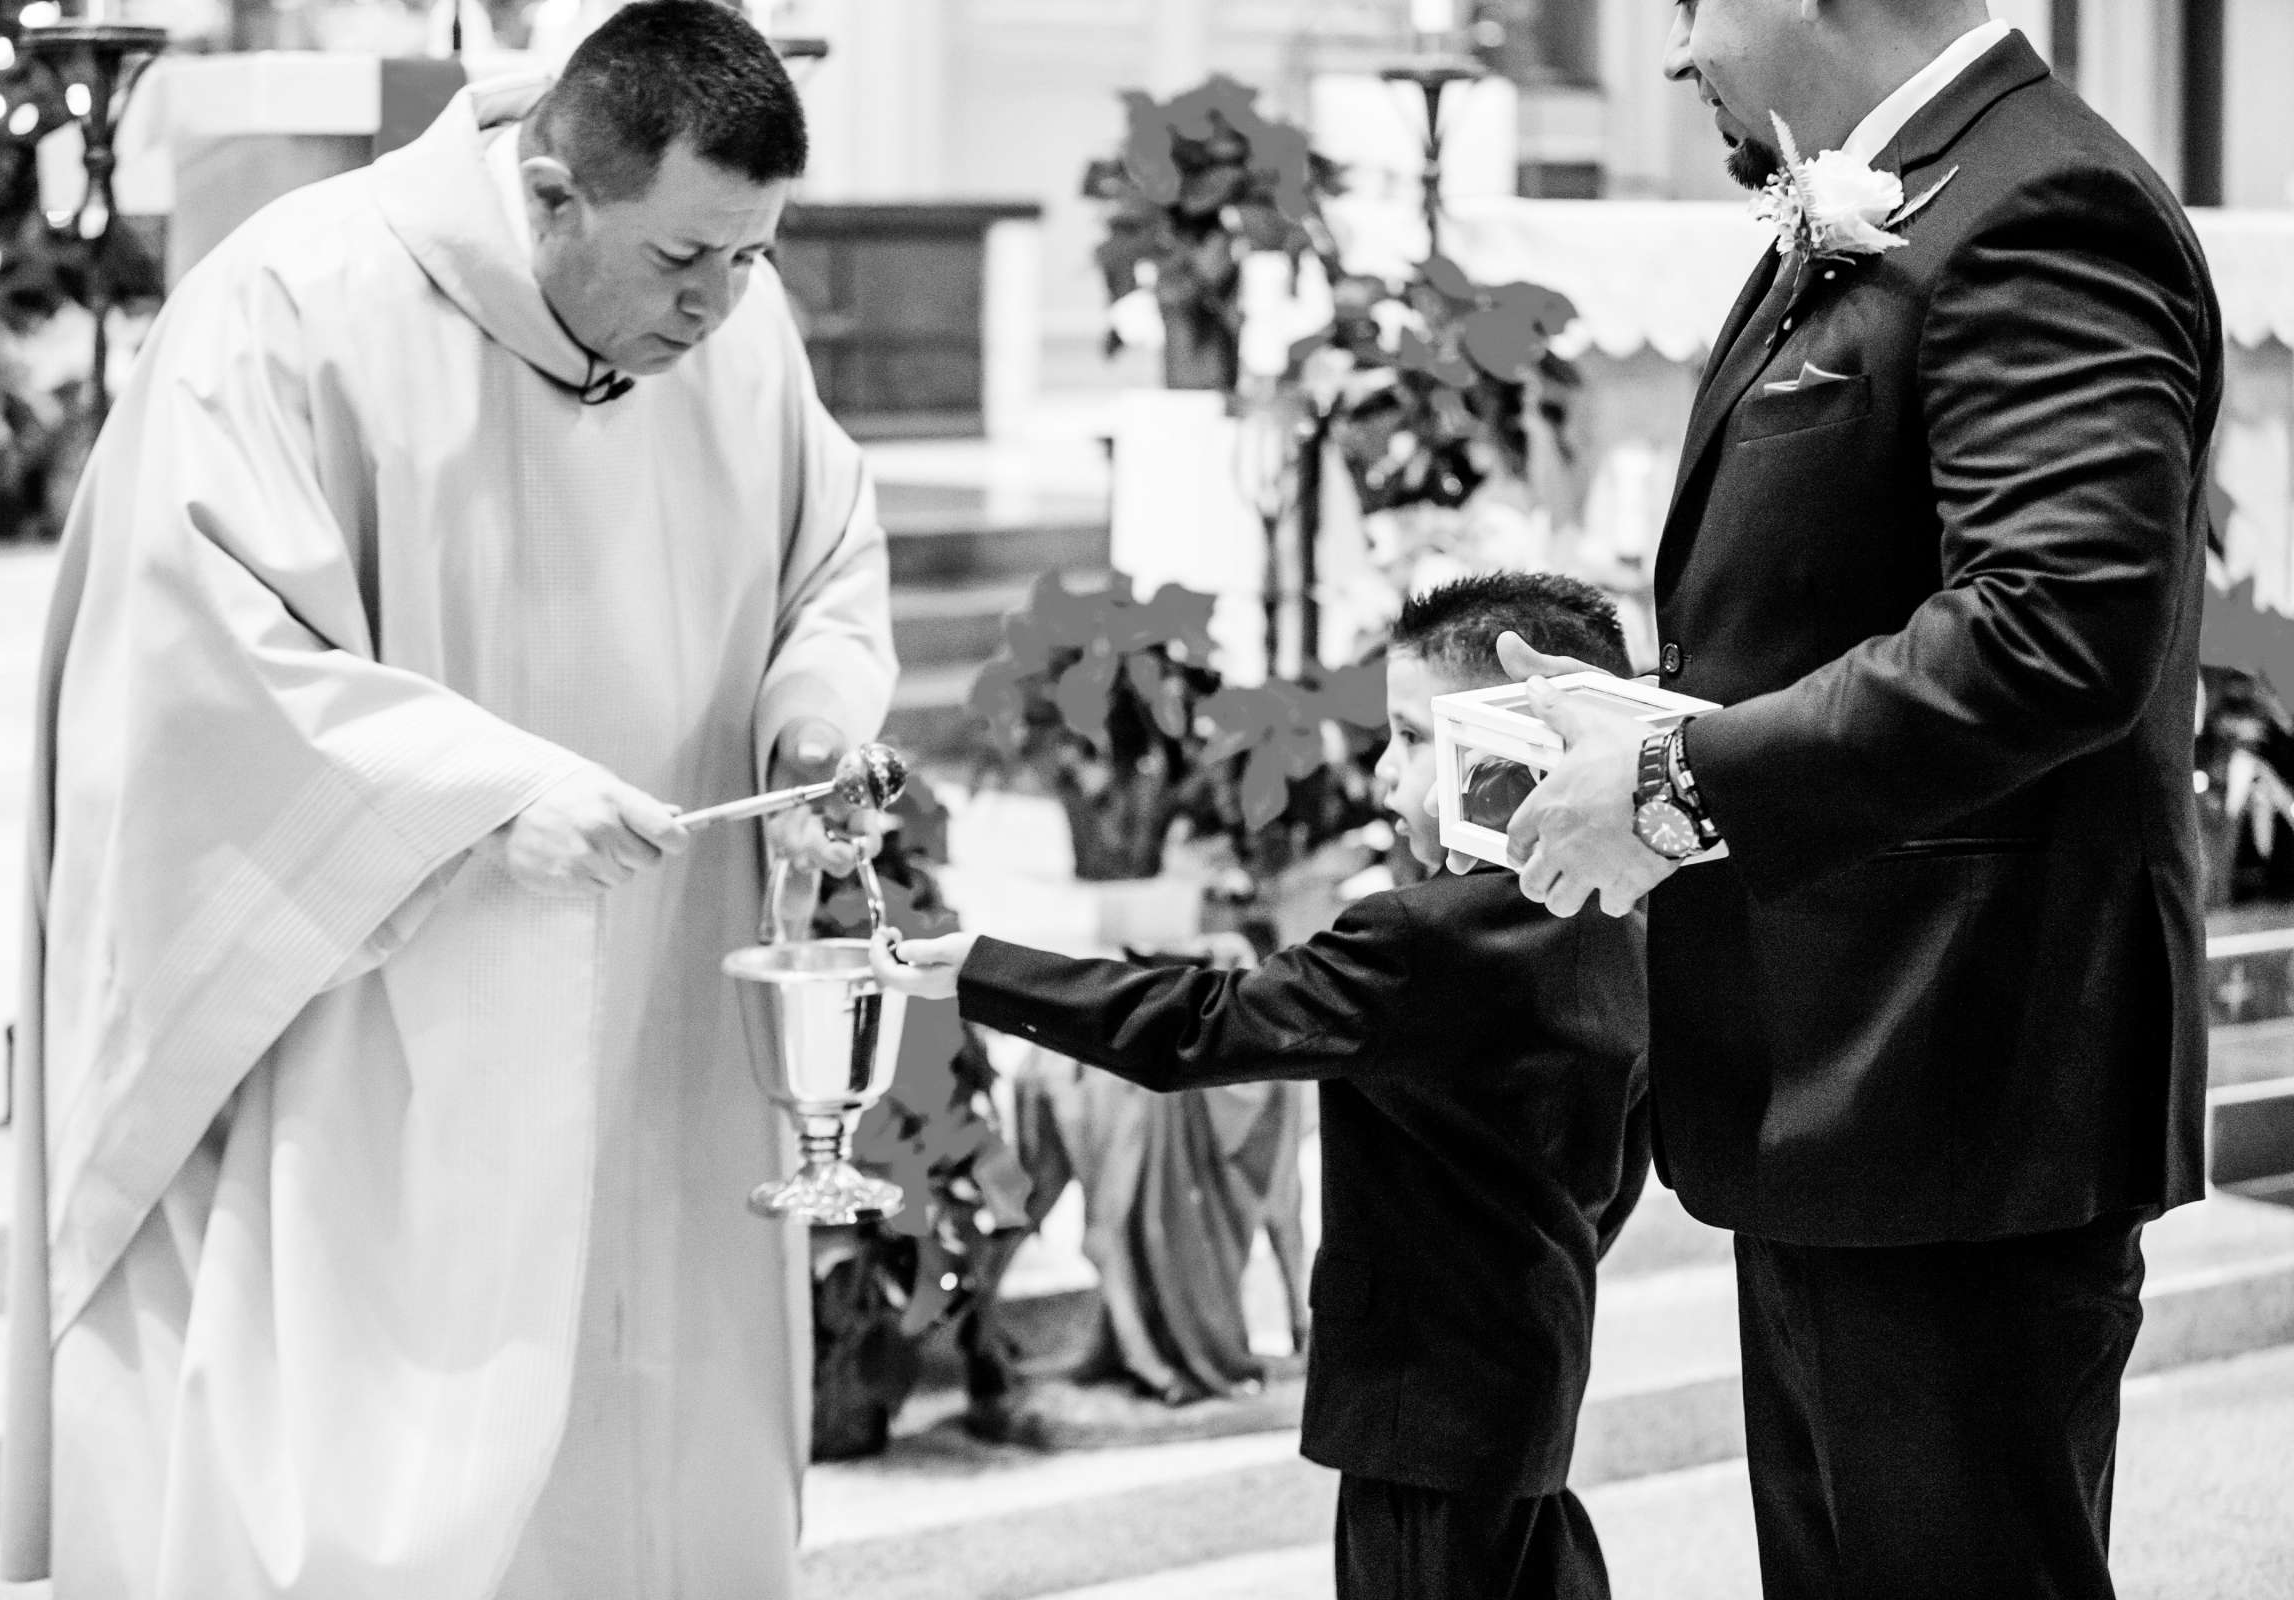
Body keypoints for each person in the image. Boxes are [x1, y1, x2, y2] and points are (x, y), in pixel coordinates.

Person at [0, 6, 895, 1598]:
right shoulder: (293, 304)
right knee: (396, 1459)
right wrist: (478, 803)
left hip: (671, 1000)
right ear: (551, 195)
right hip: (393, 991)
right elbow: (196, 665)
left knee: (659, 1431)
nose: (721, 306)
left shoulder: (738, 330)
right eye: (689, 259)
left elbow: (829, 556)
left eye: (755, 257)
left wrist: (813, 720)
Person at [1484, 6, 2222, 1598]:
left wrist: (1683, 783)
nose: (1676, 55)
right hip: (1849, 1083)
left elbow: (2055, 626)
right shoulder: (1910, 187)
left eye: (1687, 6)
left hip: (1965, 1082)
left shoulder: (2039, 202)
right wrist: (1626, 729)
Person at [878, 574, 1651, 1600]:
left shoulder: (1421, 938)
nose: (1382, 774)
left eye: (1414, 739)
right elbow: (1629, 1155)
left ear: (1521, 739)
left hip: (1418, 1396)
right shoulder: (1620, 916)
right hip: (1532, 1369)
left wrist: (982, 967)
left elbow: (1197, 1024)